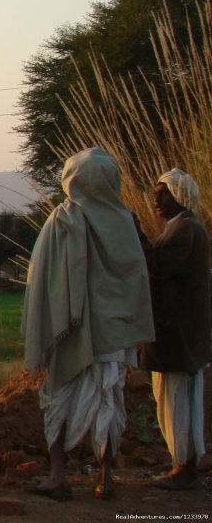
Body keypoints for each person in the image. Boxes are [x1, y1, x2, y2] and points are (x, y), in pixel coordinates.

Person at [22, 148, 154, 501]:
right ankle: (105, 478)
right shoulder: (125, 220)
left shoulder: (62, 219)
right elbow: (137, 277)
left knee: (58, 398)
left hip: (71, 330)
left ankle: (57, 475)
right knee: (108, 400)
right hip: (114, 331)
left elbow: (42, 278)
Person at [138, 168, 210, 491]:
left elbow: (159, 267)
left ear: (180, 196)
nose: (156, 198)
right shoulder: (181, 228)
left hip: (178, 331)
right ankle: (182, 464)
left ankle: (185, 467)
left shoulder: (185, 231)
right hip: (177, 330)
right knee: (172, 397)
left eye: (163, 193)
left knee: (177, 400)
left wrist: (135, 234)